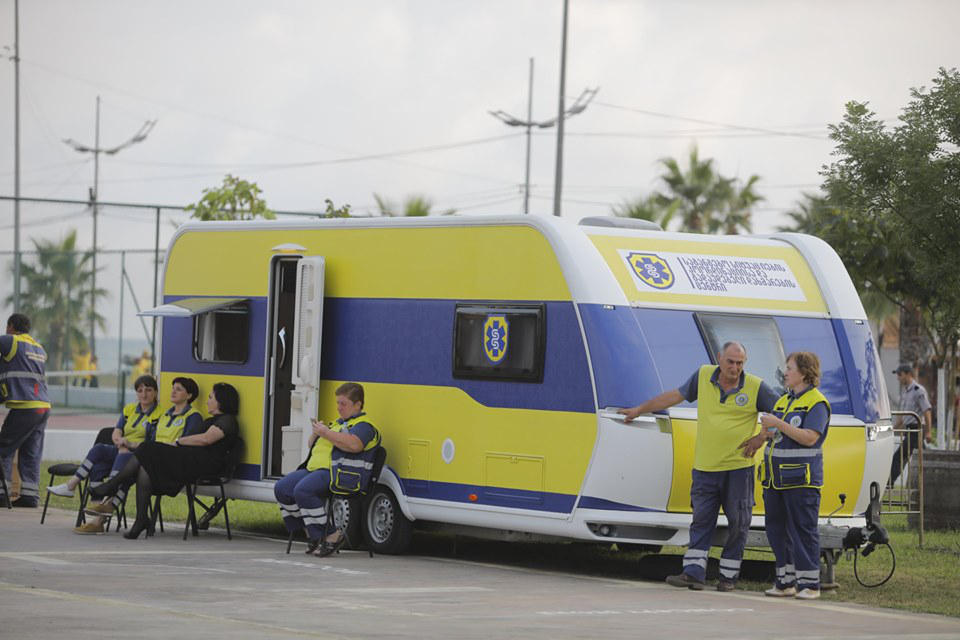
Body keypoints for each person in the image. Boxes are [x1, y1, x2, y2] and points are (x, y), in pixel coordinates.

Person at [619, 341, 778, 591]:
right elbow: (674, 395)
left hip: (738, 468)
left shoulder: (756, 387)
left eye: (740, 363)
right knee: (701, 520)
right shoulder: (703, 376)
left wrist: (761, 436)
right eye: (730, 362)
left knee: (739, 522)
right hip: (705, 468)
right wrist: (640, 409)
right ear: (719, 358)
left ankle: (728, 577)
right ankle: (693, 573)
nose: (735, 368)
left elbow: (781, 412)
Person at [90, 381, 239, 540]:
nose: (207, 400)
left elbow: (206, 439)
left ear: (221, 401)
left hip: (205, 466)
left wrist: (179, 441)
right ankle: (141, 519)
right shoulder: (211, 420)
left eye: (211, 397)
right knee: (144, 468)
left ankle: (112, 485)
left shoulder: (227, 421)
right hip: (191, 459)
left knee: (147, 448)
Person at [741, 352, 830, 600]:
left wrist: (778, 425)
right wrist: (763, 435)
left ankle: (811, 585)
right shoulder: (783, 401)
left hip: (801, 480)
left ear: (804, 372)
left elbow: (810, 437)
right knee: (777, 531)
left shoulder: (816, 403)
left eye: (789, 368)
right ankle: (785, 582)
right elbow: (776, 434)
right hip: (774, 480)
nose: (785, 372)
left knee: (803, 530)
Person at [46, 375, 164, 534]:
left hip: (140, 456)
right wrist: (118, 440)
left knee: (121, 469)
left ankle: (98, 520)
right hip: (121, 450)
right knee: (99, 454)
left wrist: (130, 445)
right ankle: (72, 486)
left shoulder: (160, 413)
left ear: (156, 392)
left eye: (149, 390)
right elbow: (117, 431)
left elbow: (152, 444)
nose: (144, 394)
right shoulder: (129, 409)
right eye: (140, 390)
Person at [274, 382, 380, 557]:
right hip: (314, 469)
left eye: (343, 404)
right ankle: (311, 531)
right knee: (282, 488)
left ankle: (332, 534)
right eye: (337, 403)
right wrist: (316, 434)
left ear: (358, 404)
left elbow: (354, 445)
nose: (338, 408)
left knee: (303, 490)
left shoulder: (364, 426)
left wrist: (326, 433)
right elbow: (311, 445)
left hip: (338, 473)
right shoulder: (337, 424)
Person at [0, 313, 51, 508]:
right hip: (43, 406)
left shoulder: (11, 341)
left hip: (26, 407)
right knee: (31, 452)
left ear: (11, 326)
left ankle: (2, 494)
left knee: (3, 449)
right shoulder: (38, 348)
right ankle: (30, 497)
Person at [889, 363, 932, 485]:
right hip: (910, 430)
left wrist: (928, 432)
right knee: (922, 460)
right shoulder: (905, 393)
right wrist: (891, 429)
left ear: (908, 374)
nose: (898, 377)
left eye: (900, 374)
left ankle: (888, 482)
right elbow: (902, 418)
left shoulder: (918, 391)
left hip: (916, 429)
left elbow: (927, 411)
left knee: (899, 457)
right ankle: (923, 483)